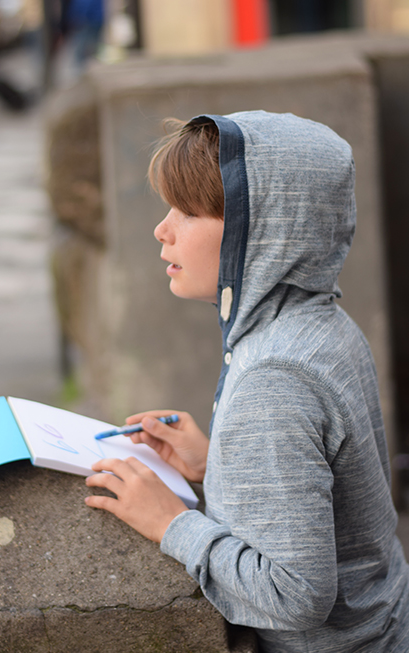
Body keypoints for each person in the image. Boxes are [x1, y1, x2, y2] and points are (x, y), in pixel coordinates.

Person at [83, 110, 409, 652]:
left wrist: (172, 524)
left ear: (262, 235)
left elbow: (297, 595)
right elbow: (321, 494)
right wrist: (218, 466)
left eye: (187, 212)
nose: (161, 229)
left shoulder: (275, 377)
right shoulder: (320, 322)